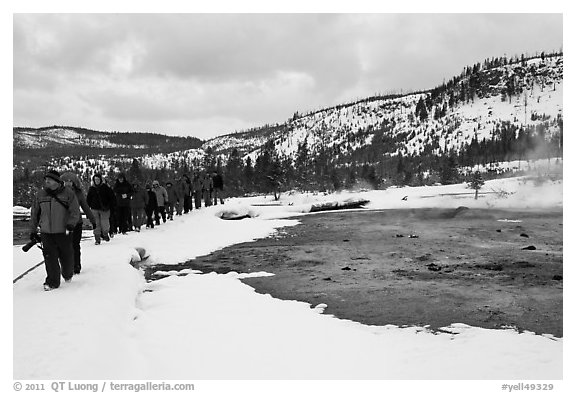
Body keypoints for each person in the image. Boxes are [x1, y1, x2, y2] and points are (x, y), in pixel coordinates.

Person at [29, 170, 80, 291]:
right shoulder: (40, 194)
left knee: (66, 256)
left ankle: (68, 274)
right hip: (46, 232)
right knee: (49, 257)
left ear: (57, 181)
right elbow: (35, 213)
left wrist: (71, 225)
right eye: (46, 179)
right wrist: (33, 230)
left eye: (50, 179)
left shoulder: (68, 193)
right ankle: (52, 282)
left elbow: (75, 211)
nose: (47, 181)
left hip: (63, 231)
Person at [60, 172, 97, 274]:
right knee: (64, 246)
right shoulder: (58, 193)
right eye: (65, 181)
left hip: (77, 223)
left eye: (70, 181)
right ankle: (66, 266)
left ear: (74, 182)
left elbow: (85, 208)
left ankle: (76, 265)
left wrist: (92, 220)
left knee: (75, 245)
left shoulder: (78, 194)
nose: (68, 183)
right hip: (62, 223)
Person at [87, 173, 115, 244]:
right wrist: (87, 209)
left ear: (100, 180)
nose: (97, 181)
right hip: (94, 209)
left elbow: (112, 198)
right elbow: (88, 199)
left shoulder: (105, 187)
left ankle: (105, 234)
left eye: (98, 179)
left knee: (105, 225)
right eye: (95, 180)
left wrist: (111, 206)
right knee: (96, 224)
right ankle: (97, 239)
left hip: (104, 209)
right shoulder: (91, 188)